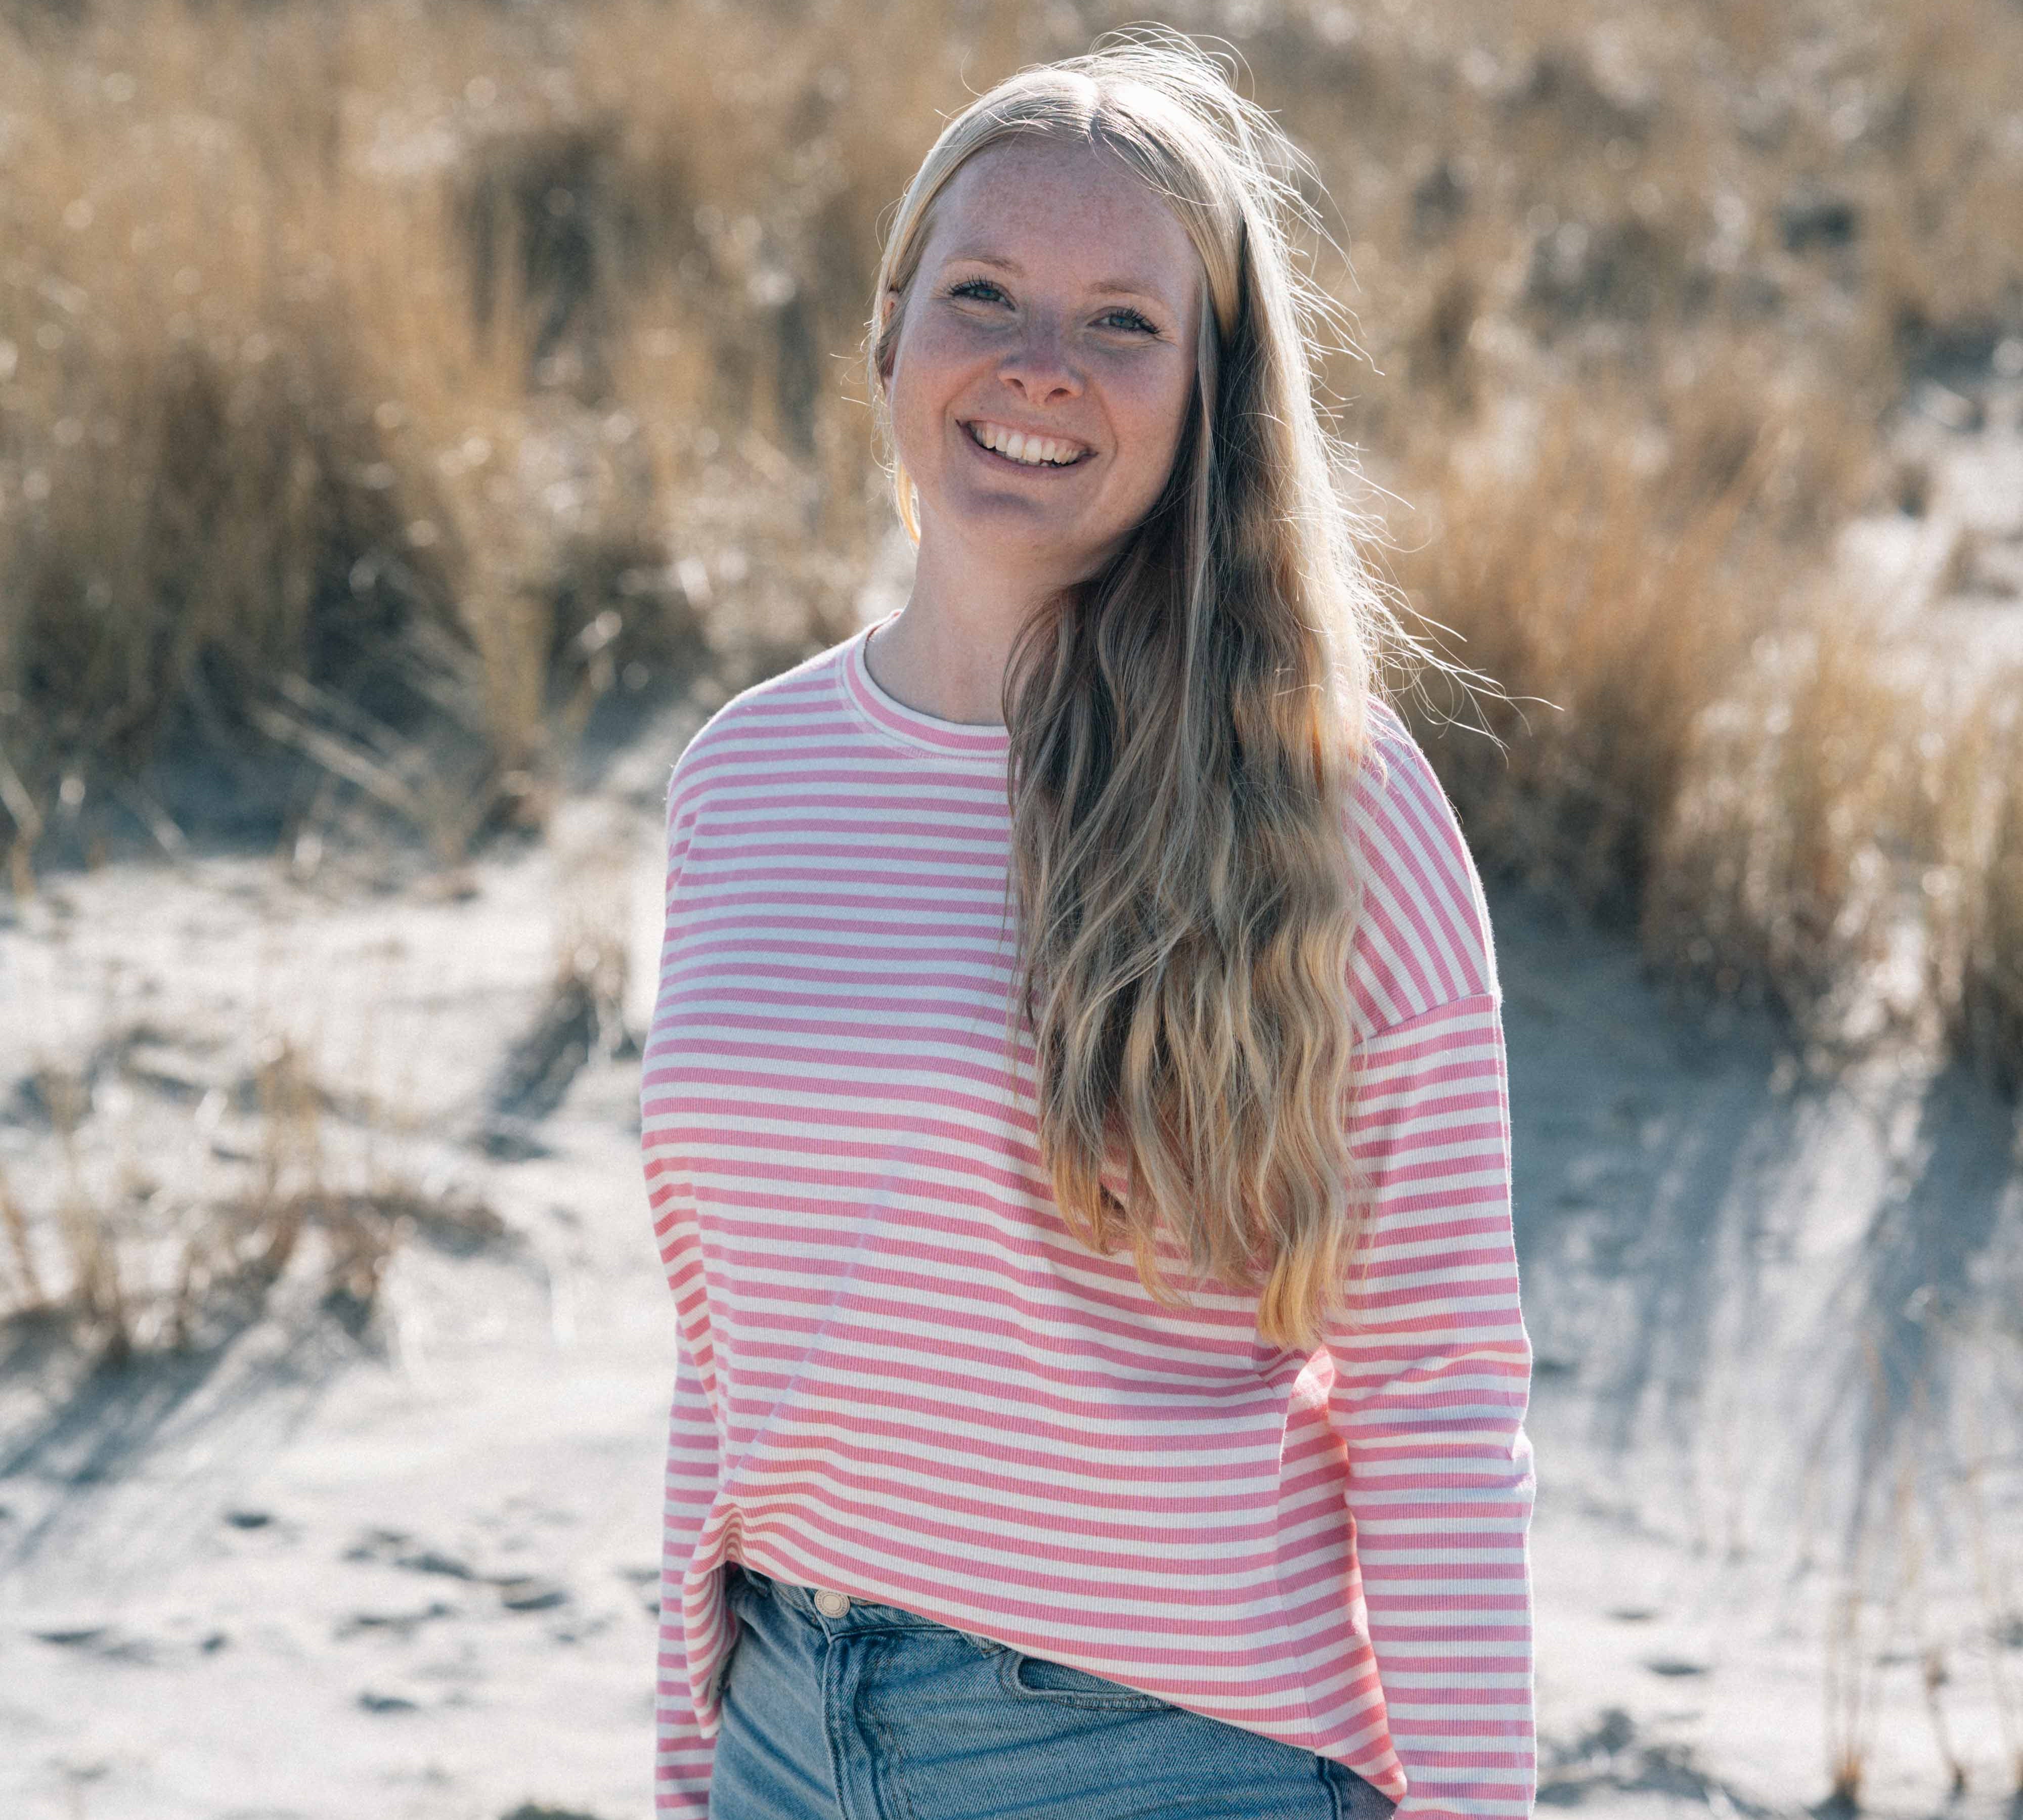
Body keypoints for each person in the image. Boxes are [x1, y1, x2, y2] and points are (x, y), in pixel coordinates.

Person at [639, 29, 1535, 1820]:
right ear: (890, 333)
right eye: (983, 292)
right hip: (783, 1728)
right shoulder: (742, 777)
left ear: (1210, 397)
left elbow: (1434, 1389)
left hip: (1159, 1754)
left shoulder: (1328, 800)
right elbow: (727, 1346)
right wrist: (693, 1751)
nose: (1039, 364)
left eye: (1122, 321)